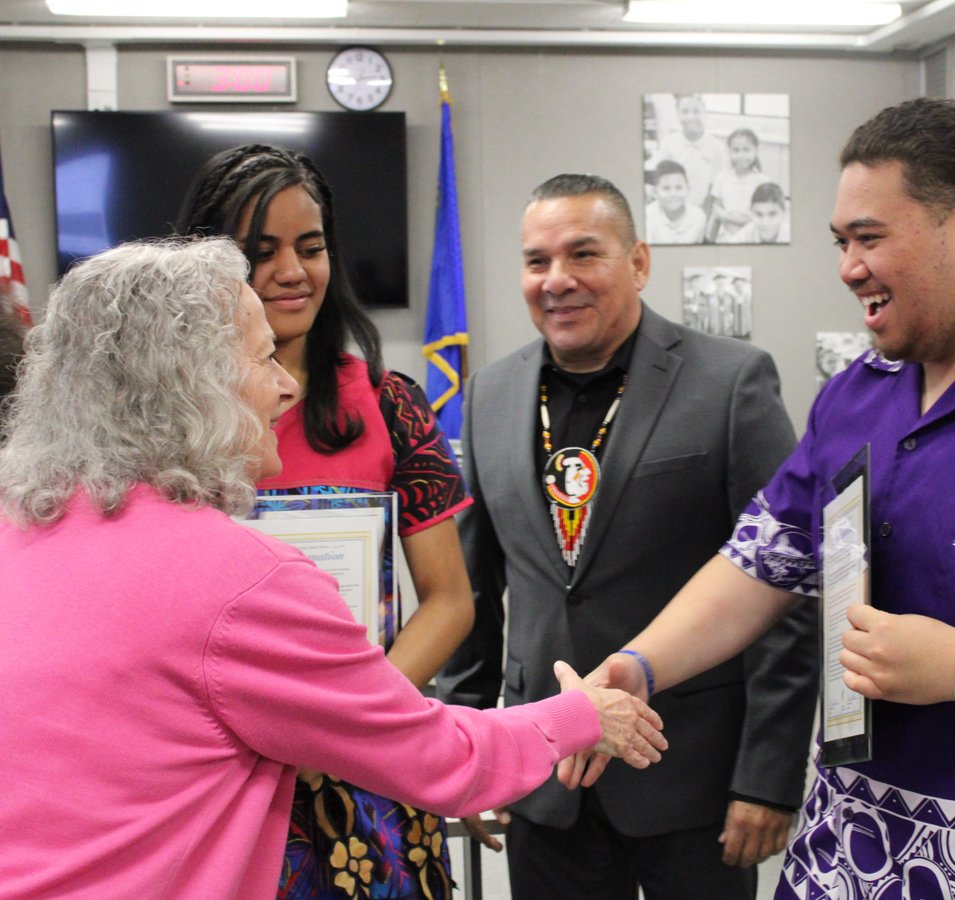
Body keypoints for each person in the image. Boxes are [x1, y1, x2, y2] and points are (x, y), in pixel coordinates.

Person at [572, 96, 955, 899]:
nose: (847, 267)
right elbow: (761, 561)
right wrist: (638, 667)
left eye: (870, 238)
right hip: (860, 846)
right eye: (842, 242)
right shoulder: (859, 397)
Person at [0, 236, 666, 898]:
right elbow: (439, 758)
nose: (287, 386)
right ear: (197, 384)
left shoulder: (17, 532)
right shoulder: (239, 583)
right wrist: (581, 714)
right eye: (264, 358)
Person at [438, 173, 819, 900]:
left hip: (692, 782)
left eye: (584, 255)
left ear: (638, 262)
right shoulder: (489, 393)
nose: (557, 281)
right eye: (536, 261)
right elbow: (473, 594)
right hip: (544, 776)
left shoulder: (731, 381)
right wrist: (468, 755)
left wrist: (766, 777)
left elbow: (785, 589)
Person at [176, 143, 476, 899]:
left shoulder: (389, 402)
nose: (291, 271)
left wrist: (350, 718)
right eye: (260, 252)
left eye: (310, 248)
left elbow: (449, 599)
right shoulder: (163, 427)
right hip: (216, 774)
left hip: (366, 774)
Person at [657, 93, 725, 208]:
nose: (690, 117)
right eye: (685, 111)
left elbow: (715, 188)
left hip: (703, 209)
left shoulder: (716, 146)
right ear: (677, 113)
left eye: (696, 111)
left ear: (704, 112)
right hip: (673, 208)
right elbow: (663, 183)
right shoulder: (668, 144)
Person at [708, 128, 770, 243]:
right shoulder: (722, 178)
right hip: (725, 239)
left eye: (746, 150)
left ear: (755, 151)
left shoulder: (763, 182)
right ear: (729, 152)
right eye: (736, 150)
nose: (741, 155)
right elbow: (716, 214)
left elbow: (761, 219)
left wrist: (727, 217)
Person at [643, 159, 707, 244]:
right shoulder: (647, 217)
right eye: (666, 188)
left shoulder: (698, 217)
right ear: (655, 192)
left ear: (688, 189)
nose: (673, 194)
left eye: (679, 188)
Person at [725, 182, 790, 244]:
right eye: (759, 214)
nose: (765, 223)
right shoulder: (747, 233)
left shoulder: (791, 235)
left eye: (772, 214)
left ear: (784, 213)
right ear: (751, 213)